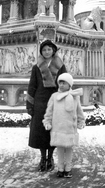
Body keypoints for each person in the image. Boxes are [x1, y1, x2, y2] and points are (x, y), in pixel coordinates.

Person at [26, 39, 66, 172]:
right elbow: (32, 86)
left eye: (49, 49)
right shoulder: (36, 67)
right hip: (40, 103)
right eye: (44, 50)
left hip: (56, 102)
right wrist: (30, 104)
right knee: (41, 132)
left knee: (53, 131)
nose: (47, 52)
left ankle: (51, 158)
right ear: (41, 52)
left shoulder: (61, 66)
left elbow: (65, 85)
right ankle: (43, 158)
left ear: (53, 50)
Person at [43, 73, 85, 178]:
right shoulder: (54, 96)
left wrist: (81, 121)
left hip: (70, 128)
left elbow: (79, 110)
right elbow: (49, 111)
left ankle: (68, 169)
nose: (61, 85)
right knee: (60, 150)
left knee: (69, 150)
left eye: (63, 83)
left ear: (69, 84)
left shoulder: (75, 96)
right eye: (59, 83)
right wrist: (47, 122)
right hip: (58, 128)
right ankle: (60, 169)